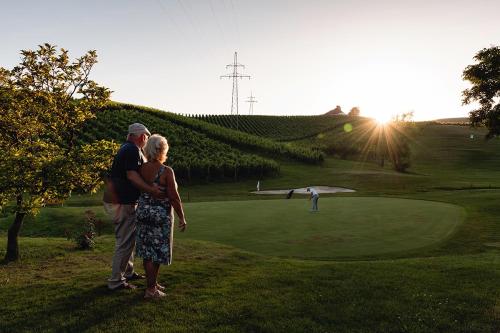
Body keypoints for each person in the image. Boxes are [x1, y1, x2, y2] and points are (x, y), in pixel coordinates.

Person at [104, 123, 164, 291]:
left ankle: (128, 272)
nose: (146, 141)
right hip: (122, 202)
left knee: (128, 240)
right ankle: (116, 281)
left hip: (118, 200)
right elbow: (131, 176)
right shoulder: (132, 150)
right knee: (124, 242)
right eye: (146, 137)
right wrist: (152, 189)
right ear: (142, 136)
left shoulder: (126, 147)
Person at [135, 134, 187, 299]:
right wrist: (182, 217)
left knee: (146, 251)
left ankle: (152, 283)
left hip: (143, 213)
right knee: (156, 252)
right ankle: (151, 290)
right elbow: (173, 197)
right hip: (160, 216)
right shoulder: (166, 171)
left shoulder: (140, 169)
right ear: (162, 150)